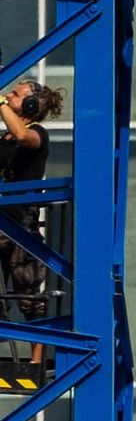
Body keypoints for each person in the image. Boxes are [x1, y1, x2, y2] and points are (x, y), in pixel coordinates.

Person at [0, 79, 61, 367]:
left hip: (20, 223)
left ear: (30, 104)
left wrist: (1, 102)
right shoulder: (4, 138)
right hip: (2, 220)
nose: (9, 96)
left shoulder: (37, 134)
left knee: (29, 294)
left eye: (15, 94)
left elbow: (22, 136)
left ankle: (36, 360)